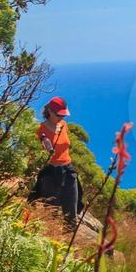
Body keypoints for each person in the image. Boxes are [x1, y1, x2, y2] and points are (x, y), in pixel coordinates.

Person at [31, 97, 83, 226]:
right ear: (49, 111)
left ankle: (70, 241)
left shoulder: (63, 125)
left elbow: (64, 145)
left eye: (63, 115)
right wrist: (43, 145)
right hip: (51, 174)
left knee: (72, 214)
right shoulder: (40, 129)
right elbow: (35, 153)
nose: (61, 118)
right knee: (51, 214)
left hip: (68, 170)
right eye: (58, 114)